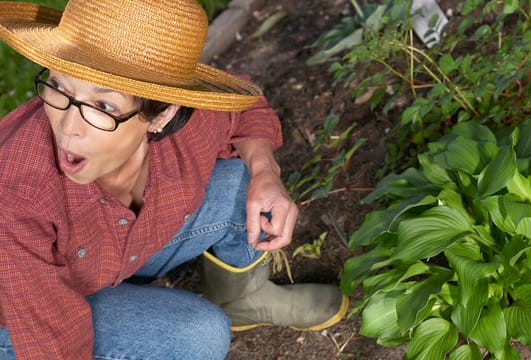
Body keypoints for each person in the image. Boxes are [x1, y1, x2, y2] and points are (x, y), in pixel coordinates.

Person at [0, 0, 348, 359]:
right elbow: (54, 347)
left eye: (103, 107)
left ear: (163, 114)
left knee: (242, 177)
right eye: (58, 86)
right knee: (193, 336)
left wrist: (266, 174)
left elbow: (244, 104)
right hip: (18, 316)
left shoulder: (190, 120)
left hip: (104, 260)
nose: (68, 129)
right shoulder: (16, 195)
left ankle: (242, 299)